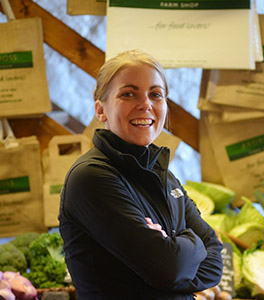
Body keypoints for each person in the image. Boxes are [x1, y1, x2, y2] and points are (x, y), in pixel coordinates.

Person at [59, 49, 223, 300]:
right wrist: (190, 240)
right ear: (101, 110)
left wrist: (176, 251)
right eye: (128, 94)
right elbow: (170, 269)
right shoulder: (92, 177)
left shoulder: (165, 176)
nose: (145, 104)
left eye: (155, 94)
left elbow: (215, 254)